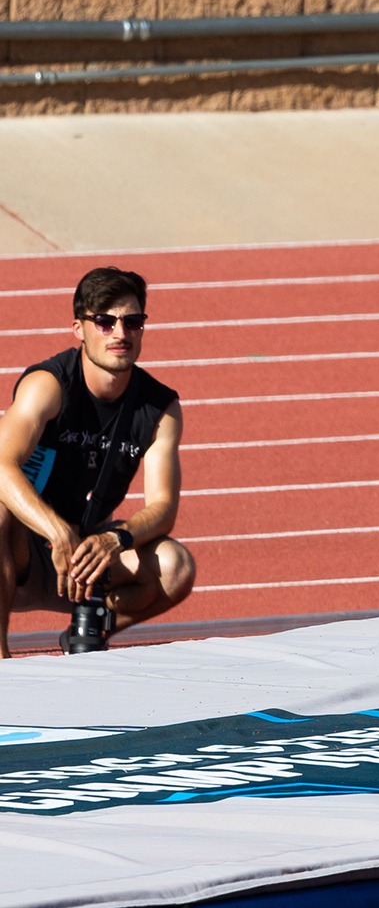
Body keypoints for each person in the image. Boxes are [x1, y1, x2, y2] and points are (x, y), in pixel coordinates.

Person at [0, 267, 195, 657]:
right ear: (79, 328)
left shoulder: (160, 407)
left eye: (133, 322)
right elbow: (2, 465)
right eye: (105, 322)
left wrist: (113, 539)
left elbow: (162, 507)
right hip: (18, 548)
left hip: (83, 559)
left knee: (176, 566)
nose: (120, 334)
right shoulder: (50, 385)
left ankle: (85, 633)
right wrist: (56, 531)